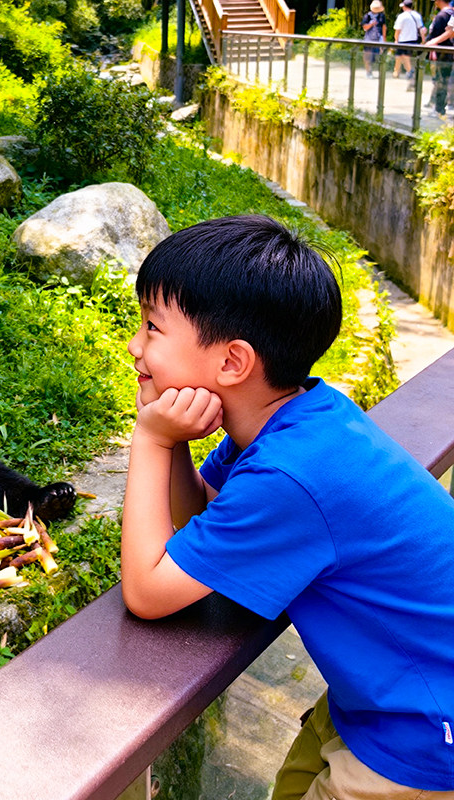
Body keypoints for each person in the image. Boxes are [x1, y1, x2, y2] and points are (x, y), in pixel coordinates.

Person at [121, 215, 454, 800]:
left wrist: (148, 441)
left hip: (420, 733)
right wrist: (173, 440)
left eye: (152, 328)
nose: (135, 345)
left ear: (231, 363)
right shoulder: (301, 418)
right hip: (377, 698)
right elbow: (205, 512)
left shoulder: (290, 475)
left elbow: (147, 593)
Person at [426, 0, 454, 118]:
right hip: (446, 52)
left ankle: (439, 109)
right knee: (443, 80)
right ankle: (439, 107)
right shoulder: (450, 14)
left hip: (444, 53)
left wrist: (433, 42)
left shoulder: (443, 15)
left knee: (441, 80)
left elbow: (450, 32)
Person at [394, 0, 426, 79]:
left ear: (404, 6)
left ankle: (409, 71)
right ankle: (396, 72)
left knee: (404, 56)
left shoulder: (401, 16)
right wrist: (423, 40)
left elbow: (397, 30)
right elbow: (421, 29)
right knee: (400, 56)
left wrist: (396, 40)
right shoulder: (417, 15)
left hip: (402, 40)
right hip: (413, 40)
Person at [362, 0, 386, 78]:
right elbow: (364, 27)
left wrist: (384, 39)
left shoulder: (381, 16)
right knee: (367, 56)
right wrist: (371, 24)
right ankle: (368, 72)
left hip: (378, 39)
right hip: (368, 39)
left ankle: (380, 72)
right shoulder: (367, 16)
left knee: (378, 57)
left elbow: (384, 27)